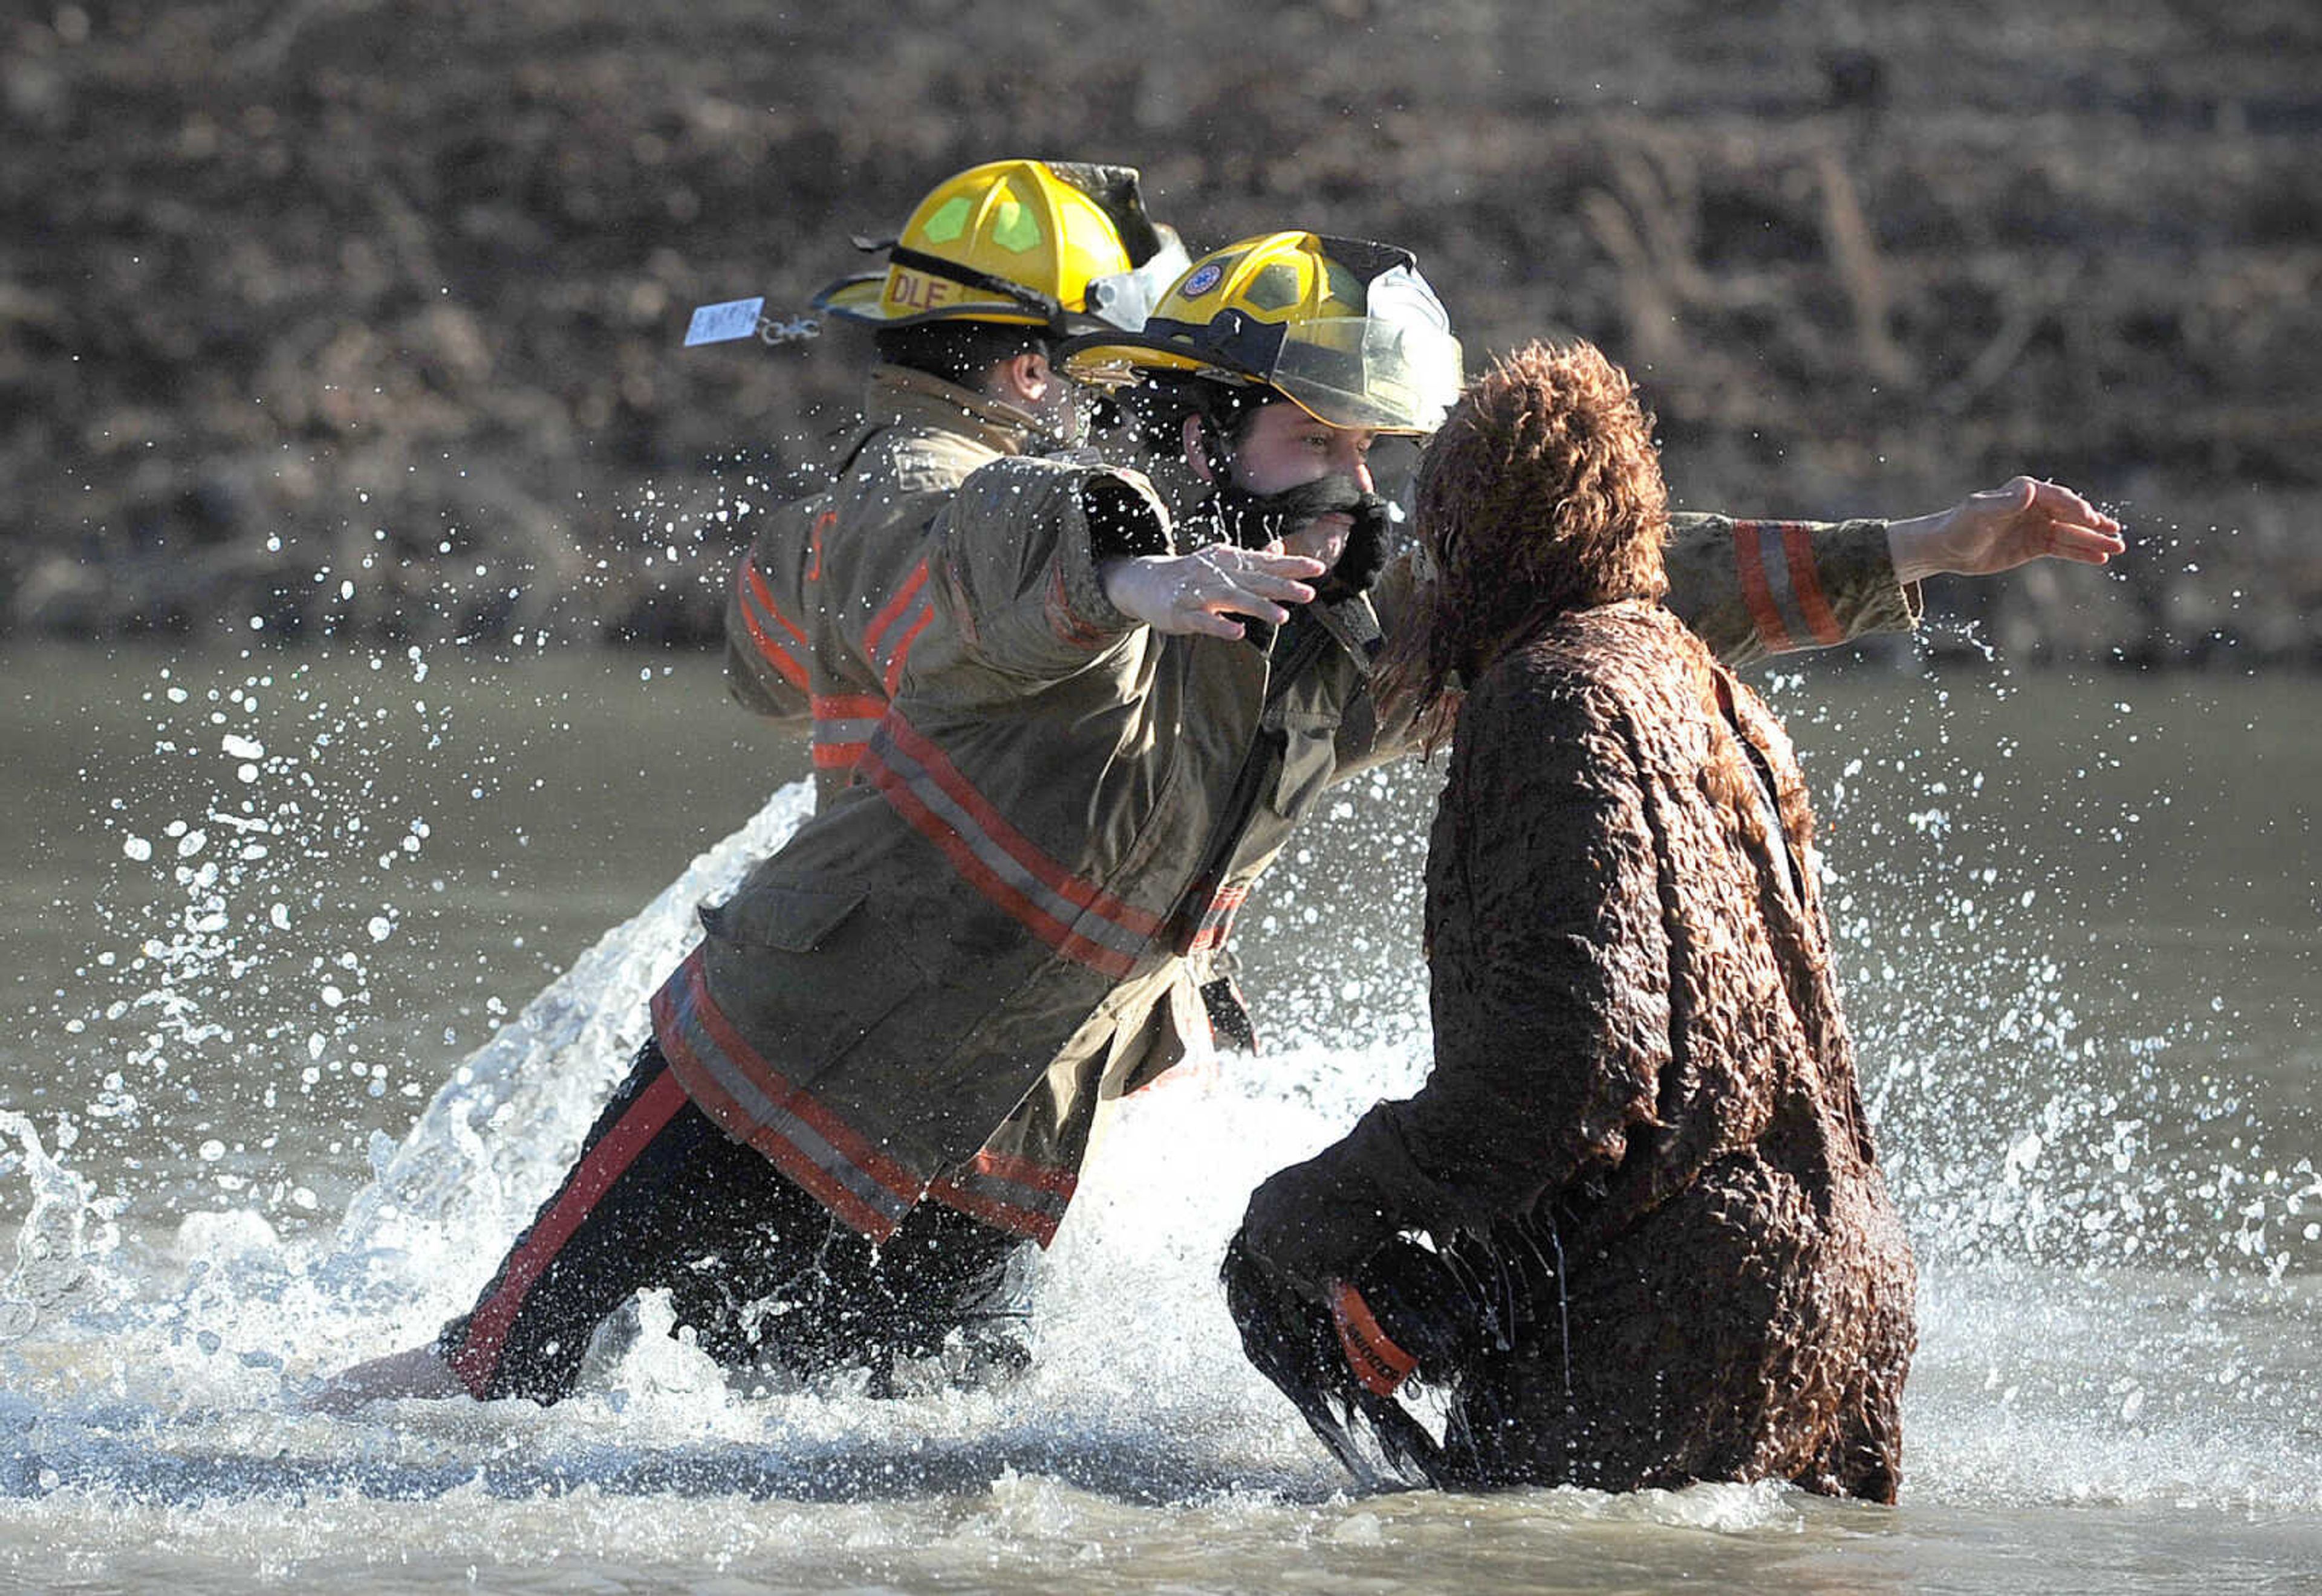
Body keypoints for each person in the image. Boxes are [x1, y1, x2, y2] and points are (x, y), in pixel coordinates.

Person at [322, 232, 2118, 1409]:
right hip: (768, 1064)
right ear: (1196, 427)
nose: (1345, 492)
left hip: (996, 1149)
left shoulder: (1365, 632)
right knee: (480, 1386)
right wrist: (1138, 570)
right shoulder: (1052, 522)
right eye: (1305, 445)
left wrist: (1931, 550)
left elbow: (1621, 576)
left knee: (908, 1479)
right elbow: (967, 530)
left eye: (1365, 456)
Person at [1223, 341, 1927, 1499]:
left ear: (1476, 547)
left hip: (1676, 1301)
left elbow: (1577, 1066)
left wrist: (1320, 1204)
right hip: (1847, 1289)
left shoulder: (1549, 697)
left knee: (1275, 1255)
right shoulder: (1713, 692)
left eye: (1440, 538)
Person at [724, 158, 1188, 806]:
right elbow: (988, 660)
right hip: (939, 900)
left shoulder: (845, 507)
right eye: (1094, 370)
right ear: (1032, 373)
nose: (1102, 403)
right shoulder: (928, 498)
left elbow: (760, 682)